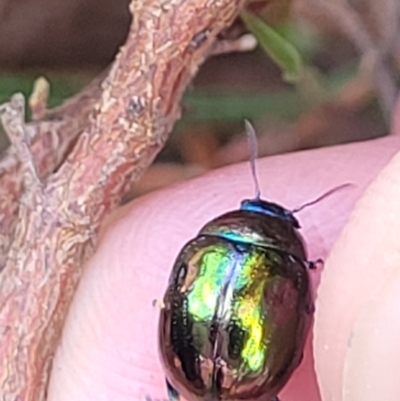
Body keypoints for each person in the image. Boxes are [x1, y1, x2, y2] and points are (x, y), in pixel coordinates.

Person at [47, 107, 400, 401]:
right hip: (248, 380)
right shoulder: (287, 268)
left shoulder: (205, 250)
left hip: (194, 376)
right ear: (289, 240)